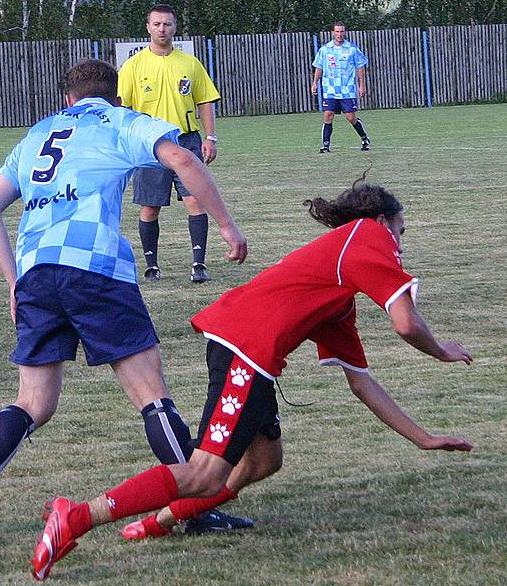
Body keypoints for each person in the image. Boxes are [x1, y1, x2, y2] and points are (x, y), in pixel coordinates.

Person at [30, 177, 475, 581]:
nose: (399, 241)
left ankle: (156, 522)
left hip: (251, 354)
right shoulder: (368, 235)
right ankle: (77, 516)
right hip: (244, 350)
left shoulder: (336, 289)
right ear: (381, 220)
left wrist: (422, 438)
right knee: (204, 474)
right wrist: (442, 351)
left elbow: (361, 383)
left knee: (263, 462)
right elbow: (405, 322)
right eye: (401, 229)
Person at [0, 59, 249, 547]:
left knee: (33, 401)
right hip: (94, 267)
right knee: (151, 392)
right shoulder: (119, 120)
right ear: (116, 96)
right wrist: (227, 225)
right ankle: (193, 508)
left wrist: (14, 281)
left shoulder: (39, 132)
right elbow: (185, 160)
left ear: (67, 99)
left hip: (37, 273)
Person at [119, 4, 221, 283]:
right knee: (150, 207)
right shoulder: (133, 66)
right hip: (149, 144)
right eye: (157, 24)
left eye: (167, 24)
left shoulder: (190, 63)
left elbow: (205, 101)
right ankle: (151, 265)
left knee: (194, 201)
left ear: (175, 28)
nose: (162, 29)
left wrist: (210, 137)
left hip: (187, 141)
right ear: (148, 27)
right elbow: (122, 108)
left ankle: (198, 264)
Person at [311, 22, 371, 153]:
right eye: (337, 31)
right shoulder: (325, 50)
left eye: (342, 31)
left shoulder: (352, 49)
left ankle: (364, 138)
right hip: (330, 89)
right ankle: (325, 145)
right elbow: (319, 67)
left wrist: (362, 85)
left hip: (347, 89)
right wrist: (315, 82)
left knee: (350, 117)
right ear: (333, 32)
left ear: (345, 32)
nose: (339, 34)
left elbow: (360, 67)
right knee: (328, 115)